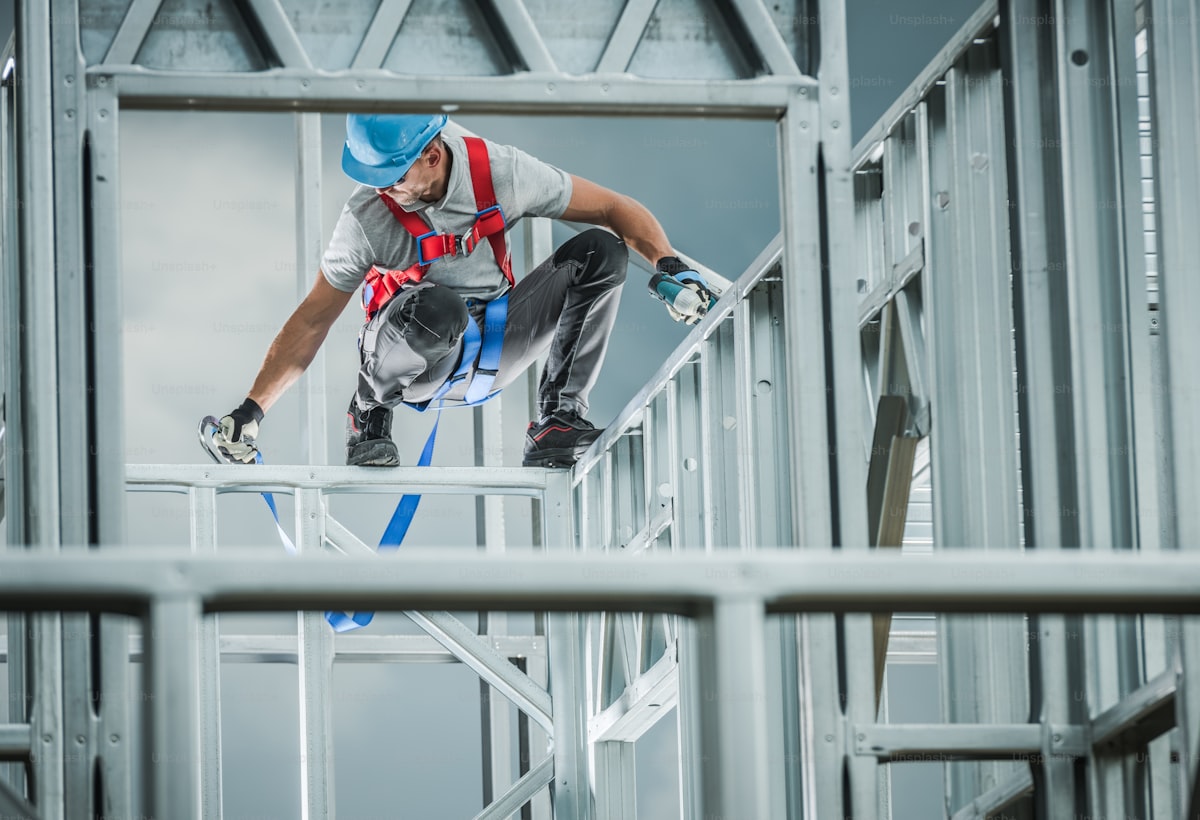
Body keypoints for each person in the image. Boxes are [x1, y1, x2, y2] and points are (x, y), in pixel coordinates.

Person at [211, 113, 717, 469]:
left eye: (393, 176)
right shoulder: (365, 217)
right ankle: (368, 413)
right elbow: (313, 318)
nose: (381, 188)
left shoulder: (502, 173)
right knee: (439, 307)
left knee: (602, 251)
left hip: (500, 338)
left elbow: (614, 207)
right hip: (414, 355)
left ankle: (558, 422)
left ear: (432, 155)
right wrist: (250, 413)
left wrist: (670, 267)